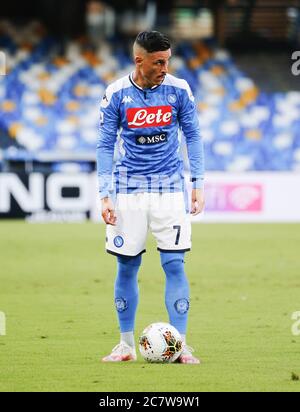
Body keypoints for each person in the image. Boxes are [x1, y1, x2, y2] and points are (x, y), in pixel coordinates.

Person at [97, 31, 205, 364]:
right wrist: (104, 194)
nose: (164, 67)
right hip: (128, 191)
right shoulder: (116, 93)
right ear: (138, 60)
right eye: (158, 62)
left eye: (167, 61)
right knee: (127, 266)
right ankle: (126, 345)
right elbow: (104, 145)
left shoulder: (179, 89)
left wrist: (197, 183)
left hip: (169, 190)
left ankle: (181, 344)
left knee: (174, 263)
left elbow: (193, 136)